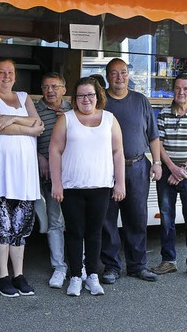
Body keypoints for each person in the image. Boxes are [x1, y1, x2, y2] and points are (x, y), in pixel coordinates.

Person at [0, 58, 44, 297]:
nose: (6, 76)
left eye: (10, 72)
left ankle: (19, 275)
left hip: (25, 173)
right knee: (2, 227)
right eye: (1, 72)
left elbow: (40, 124)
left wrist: (11, 118)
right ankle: (2, 276)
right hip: (1, 172)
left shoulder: (24, 97)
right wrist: (27, 126)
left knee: (21, 228)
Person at [49, 77, 126, 296]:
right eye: (81, 95)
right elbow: (54, 151)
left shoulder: (110, 119)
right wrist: (57, 183)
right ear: (75, 98)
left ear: (98, 95)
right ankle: (75, 276)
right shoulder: (66, 119)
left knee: (95, 233)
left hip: (101, 186)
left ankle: (92, 275)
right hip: (72, 187)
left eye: (90, 94)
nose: (86, 99)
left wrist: (119, 182)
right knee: (74, 233)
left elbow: (118, 152)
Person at [101, 58, 162, 284]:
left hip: (137, 166)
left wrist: (156, 162)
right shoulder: (100, 102)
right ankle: (111, 267)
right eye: (114, 73)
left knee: (137, 218)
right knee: (107, 220)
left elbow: (153, 136)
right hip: (107, 168)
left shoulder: (140, 101)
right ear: (107, 76)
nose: (119, 77)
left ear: (128, 75)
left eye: (123, 72)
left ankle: (137, 266)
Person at [153, 73, 187, 280]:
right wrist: (172, 168)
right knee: (166, 218)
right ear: (173, 90)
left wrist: (183, 169)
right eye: (178, 88)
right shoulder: (163, 114)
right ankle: (169, 261)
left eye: (186, 89)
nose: (181, 92)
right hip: (168, 171)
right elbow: (158, 144)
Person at [34, 72, 72, 289]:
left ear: (64, 89)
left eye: (55, 86)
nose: (51, 90)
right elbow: (28, 138)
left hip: (74, 175)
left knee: (76, 222)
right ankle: (59, 266)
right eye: (46, 86)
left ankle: (79, 265)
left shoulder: (74, 109)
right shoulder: (35, 110)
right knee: (55, 221)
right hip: (49, 175)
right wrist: (39, 157)